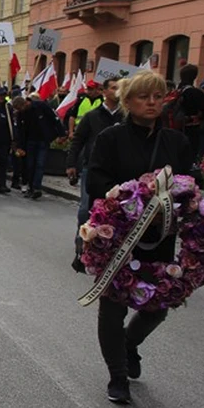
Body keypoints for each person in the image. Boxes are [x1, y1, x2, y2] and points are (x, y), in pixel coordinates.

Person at [86, 70, 194, 404]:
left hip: (160, 237)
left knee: (158, 304)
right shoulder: (111, 138)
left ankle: (130, 345)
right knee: (113, 306)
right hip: (118, 237)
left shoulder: (176, 142)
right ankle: (117, 376)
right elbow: (97, 182)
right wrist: (123, 196)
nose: (151, 103)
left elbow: (190, 182)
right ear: (128, 102)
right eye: (143, 97)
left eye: (157, 97)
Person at [67, 76, 122, 272]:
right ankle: (81, 248)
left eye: (120, 87)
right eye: (113, 87)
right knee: (86, 209)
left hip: (118, 171)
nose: (117, 91)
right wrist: (71, 164)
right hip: (92, 168)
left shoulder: (126, 116)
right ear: (104, 91)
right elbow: (78, 140)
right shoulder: (92, 116)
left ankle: (109, 252)